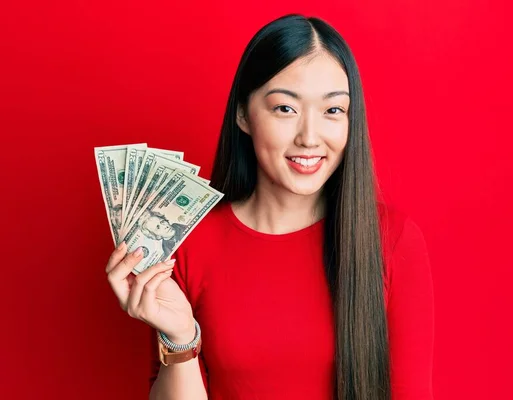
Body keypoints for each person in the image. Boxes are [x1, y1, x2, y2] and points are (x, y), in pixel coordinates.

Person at [105, 14, 435, 400]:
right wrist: (180, 338)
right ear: (244, 114)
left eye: (333, 111)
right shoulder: (188, 244)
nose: (310, 138)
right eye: (285, 109)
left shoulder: (393, 241)